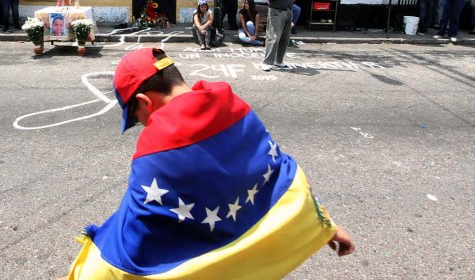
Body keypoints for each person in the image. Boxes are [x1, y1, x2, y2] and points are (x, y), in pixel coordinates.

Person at [59, 48, 355, 279]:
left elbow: (134, 235)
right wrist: (326, 226)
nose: (143, 125)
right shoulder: (235, 106)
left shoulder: (156, 146)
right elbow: (280, 174)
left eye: (137, 119)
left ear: (144, 102)